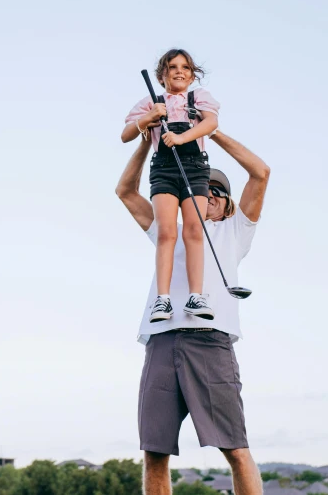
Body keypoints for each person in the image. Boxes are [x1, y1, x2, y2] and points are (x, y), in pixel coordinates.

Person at [115, 128, 271, 495]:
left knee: (234, 446)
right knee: (154, 452)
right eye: (202, 190)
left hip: (210, 342)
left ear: (227, 201)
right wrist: (145, 141)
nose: (209, 195)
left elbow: (261, 173)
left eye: (217, 191)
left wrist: (208, 134)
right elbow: (125, 191)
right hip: (161, 342)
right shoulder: (168, 230)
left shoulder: (236, 230)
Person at [121, 49, 219, 323]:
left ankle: (195, 296)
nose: (179, 71)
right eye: (173, 67)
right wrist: (149, 117)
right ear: (162, 75)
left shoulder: (198, 98)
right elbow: (126, 134)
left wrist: (182, 137)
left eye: (185, 67)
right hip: (164, 169)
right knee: (166, 232)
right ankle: (162, 301)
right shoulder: (152, 102)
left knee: (193, 229)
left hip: (194, 167)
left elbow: (211, 122)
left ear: (192, 74)